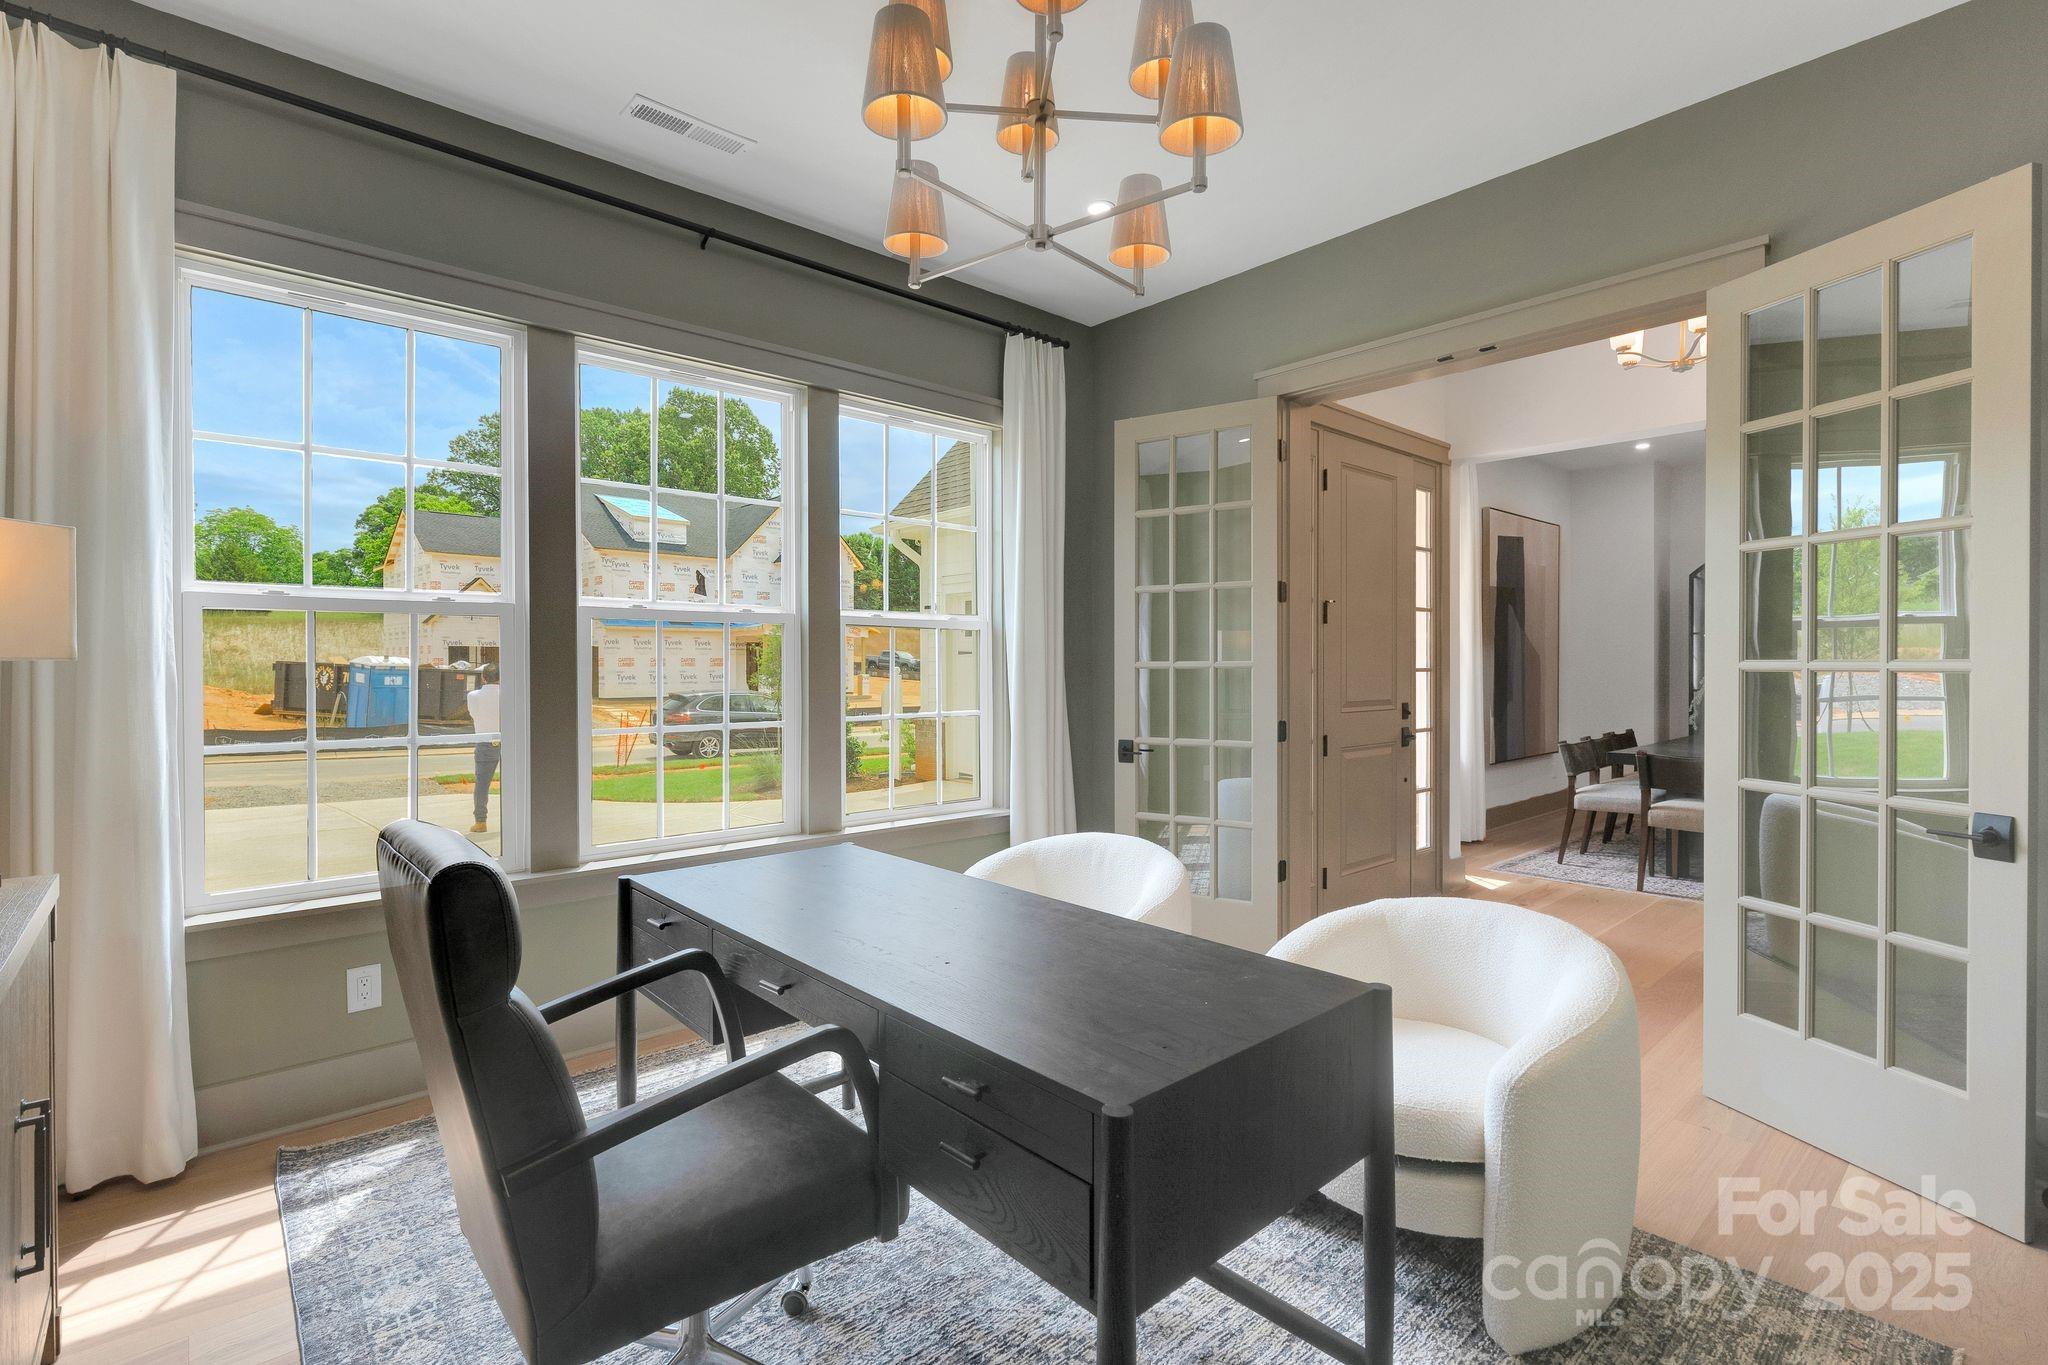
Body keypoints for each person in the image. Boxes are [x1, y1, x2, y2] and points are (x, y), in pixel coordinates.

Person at [466, 665, 502, 834]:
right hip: (507, 742)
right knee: (515, 782)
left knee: (482, 784)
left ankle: (481, 821)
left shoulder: (473, 696)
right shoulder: (508, 694)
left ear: (483, 677)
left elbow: (474, 714)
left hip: (485, 743)